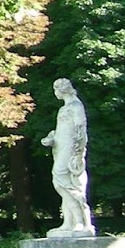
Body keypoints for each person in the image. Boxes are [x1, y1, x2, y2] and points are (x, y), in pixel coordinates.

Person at [43, 77, 96, 236]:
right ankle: (69, 222)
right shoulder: (64, 108)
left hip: (70, 149)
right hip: (60, 148)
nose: (55, 93)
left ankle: (80, 222)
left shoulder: (75, 106)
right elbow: (62, 130)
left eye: (55, 89)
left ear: (62, 90)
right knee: (61, 183)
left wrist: (78, 152)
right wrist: (52, 139)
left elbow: (80, 128)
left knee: (65, 183)